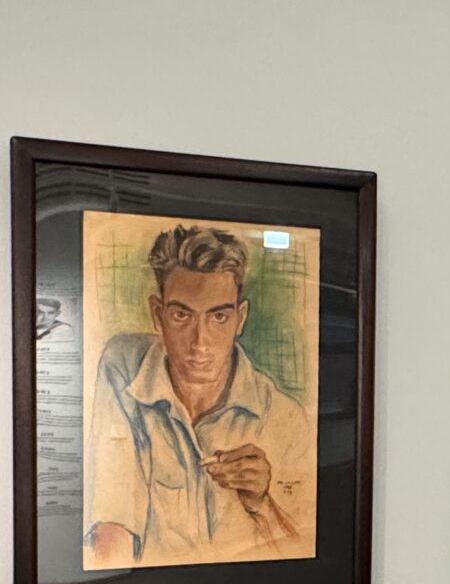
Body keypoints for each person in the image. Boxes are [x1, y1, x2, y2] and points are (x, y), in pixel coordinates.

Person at [84, 224, 315, 566]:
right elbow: (111, 523)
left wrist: (260, 502)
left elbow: (307, 556)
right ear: (158, 315)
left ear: (240, 318)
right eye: (182, 315)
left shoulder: (285, 418)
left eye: (218, 316)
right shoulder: (122, 367)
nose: (200, 343)